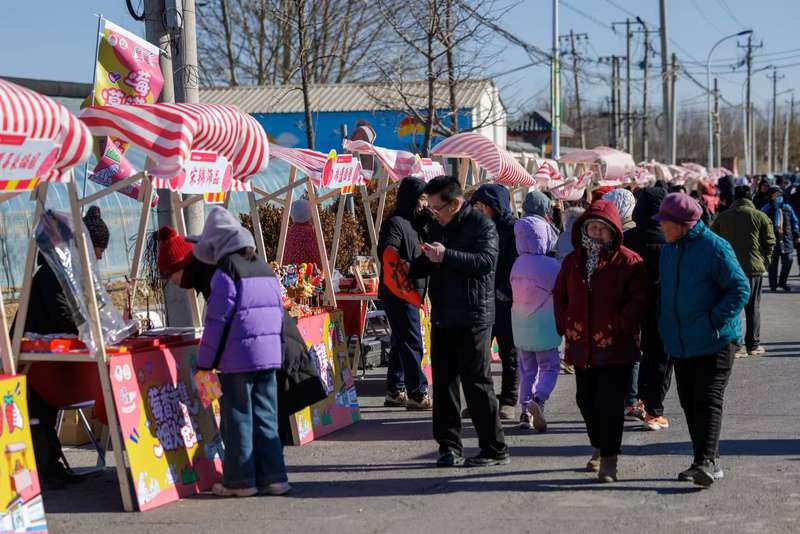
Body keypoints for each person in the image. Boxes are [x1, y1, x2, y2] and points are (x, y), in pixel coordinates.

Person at [156, 227, 326, 446]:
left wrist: (205, 367)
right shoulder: (249, 263)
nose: (172, 282)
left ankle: (245, 479)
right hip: (276, 351)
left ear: (182, 265)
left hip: (255, 359)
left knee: (243, 432)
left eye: (170, 274)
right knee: (268, 428)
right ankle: (271, 479)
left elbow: (218, 325)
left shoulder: (219, 274)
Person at [409, 176, 508, 468]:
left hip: (473, 316)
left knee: (477, 383)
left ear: (455, 203)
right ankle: (449, 447)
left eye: (437, 207)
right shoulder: (438, 225)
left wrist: (446, 255)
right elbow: (431, 261)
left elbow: (486, 262)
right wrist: (415, 263)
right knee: (444, 384)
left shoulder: (482, 225)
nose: (432, 212)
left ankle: (494, 447)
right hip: (442, 315)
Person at [190, 207, 289, 497]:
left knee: (237, 418)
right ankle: (275, 477)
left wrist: (205, 364)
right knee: (267, 416)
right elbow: (279, 315)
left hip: (237, 360)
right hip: (269, 357)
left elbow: (216, 322)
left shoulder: (226, 272)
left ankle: (240, 480)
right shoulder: (265, 268)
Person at [12, 206, 110, 489]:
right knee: (39, 413)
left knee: (46, 410)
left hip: (45, 358)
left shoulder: (67, 275)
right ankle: (45, 468)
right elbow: (63, 314)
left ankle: (51, 465)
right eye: (98, 252)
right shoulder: (51, 276)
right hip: (28, 356)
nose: (100, 259)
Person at [656, 193, 750, 487]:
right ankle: (705, 460)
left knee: (708, 399)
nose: (661, 228)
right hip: (682, 341)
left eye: (665, 223)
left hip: (715, 340)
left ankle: (706, 462)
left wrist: (713, 321)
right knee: (689, 402)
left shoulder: (715, 248)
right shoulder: (669, 250)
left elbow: (740, 288)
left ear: (683, 224)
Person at [554, 200, 649, 483]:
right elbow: (559, 294)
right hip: (581, 344)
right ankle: (597, 445)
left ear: (613, 232)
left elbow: (641, 298)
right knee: (585, 400)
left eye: (602, 229)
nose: (596, 233)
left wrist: (622, 324)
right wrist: (564, 323)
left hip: (616, 346)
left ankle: (609, 458)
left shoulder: (629, 261)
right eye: (591, 228)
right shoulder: (573, 261)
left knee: (609, 403)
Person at [377, 177, 431, 410]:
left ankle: (394, 390)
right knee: (412, 341)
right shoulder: (395, 223)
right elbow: (388, 252)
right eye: (421, 198)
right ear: (411, 198)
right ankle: (417, 393)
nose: (424, 204)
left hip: (414, 292)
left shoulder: (418, 222)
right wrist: (405, 269)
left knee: (401, 341)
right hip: (398, 292)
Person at [623, 187, 672, 431]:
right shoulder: (670, 238)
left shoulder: (628, 238)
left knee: (631, 355)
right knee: (659, 357)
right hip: (663, 307)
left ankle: (634, 401)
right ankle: (653, 408)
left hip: (631, 305)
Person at [471, 183, 519, 420]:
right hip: (479, 299)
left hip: (505, 300)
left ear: (494, 206)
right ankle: (480, 400)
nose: (478, 209)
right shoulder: (475, 227)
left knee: (509, 353)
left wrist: (503, 290)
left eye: (482, 205)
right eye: (476, 205)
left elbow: (514, 263)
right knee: (477, 354)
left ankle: (508, 401)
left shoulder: (512, 228)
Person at [711, 186, 776, 357]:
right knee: (753, 307)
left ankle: (736, 345)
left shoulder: (722, 217)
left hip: (730, 269)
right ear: (751, 197)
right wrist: (764, 261)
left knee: (733, 306)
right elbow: (770, 241)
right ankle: (753, 345)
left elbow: (713, 241)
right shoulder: (760, 216)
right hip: (754, 269)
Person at [510, 215, 561, 432]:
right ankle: (538, 400)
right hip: (545, 325)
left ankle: (524, 411)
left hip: (521, 326)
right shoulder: (552, 265)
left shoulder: (517, 264)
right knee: (549, 365)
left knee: (527, 369)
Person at [602, 188, 644, 421]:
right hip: (625, 301)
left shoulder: (620, 236)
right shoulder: (629, 233)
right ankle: (628, 397)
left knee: (626, 349)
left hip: (621, 301)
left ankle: (627, 397)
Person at [761, 186, 800, 291]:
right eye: (775, 195)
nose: (778, 197)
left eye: (779, 195)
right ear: (771, 196)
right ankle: (773, 285)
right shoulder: (766, 208)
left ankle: (783, 282)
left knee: (789, 260)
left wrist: (797, 234)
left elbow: (795, 222)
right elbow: (760, 223)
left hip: (787, 239)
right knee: (773, 264)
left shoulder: (788, 208)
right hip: (772, 240)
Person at [283, 198, 322, 267]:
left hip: (288, 273)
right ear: (310, 215)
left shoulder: (290, 232)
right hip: (303, 275)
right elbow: (321, 259)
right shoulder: (307, 233)